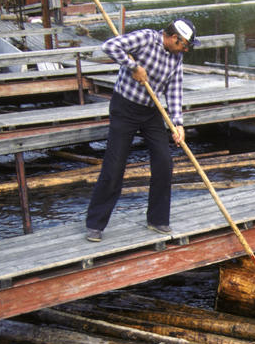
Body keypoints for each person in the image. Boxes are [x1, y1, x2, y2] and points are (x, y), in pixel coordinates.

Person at [84, 18, 198, 242]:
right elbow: (110, 46)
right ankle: (95, 224)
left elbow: (174, 89)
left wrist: (178, 123)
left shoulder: (176, 57)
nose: (184, 49)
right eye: (184, 45)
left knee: (165, 161)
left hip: (151, 110)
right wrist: (133, 66)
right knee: (114, 166)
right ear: (174, 37)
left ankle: (157, 220)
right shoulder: (146, 38)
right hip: (124, 106)